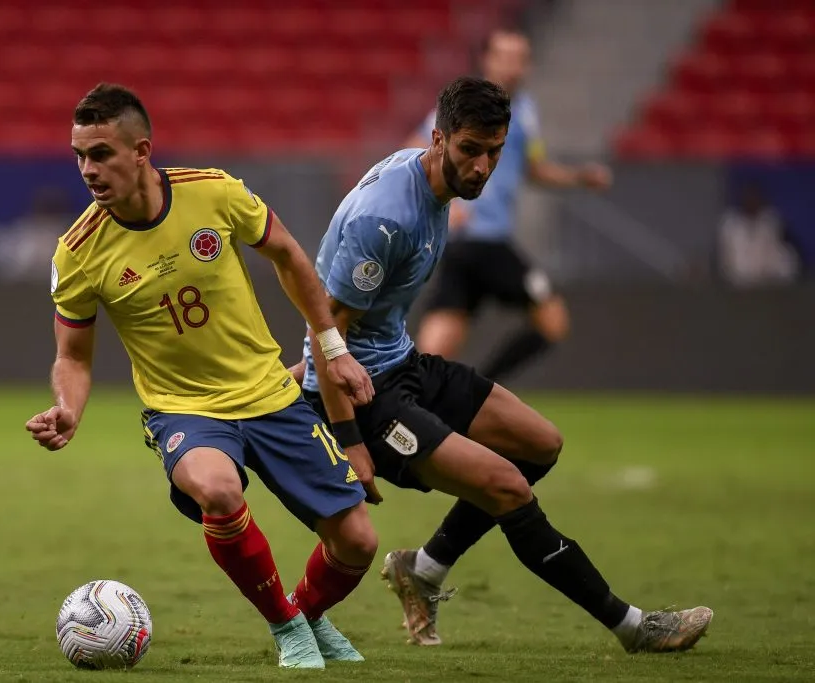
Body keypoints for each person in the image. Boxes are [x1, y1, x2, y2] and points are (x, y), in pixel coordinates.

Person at [297, 76, 713, 652]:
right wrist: (351, 439)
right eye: (471, 150)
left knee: (538, 444)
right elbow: (326, 332)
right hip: (365, 398)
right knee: (508, 488)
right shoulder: (385, 219)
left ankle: (425, 567)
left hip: (402, 364)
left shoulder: (432, 183)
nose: (483, 167)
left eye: (495, 151)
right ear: (439, 140)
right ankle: (634, 627)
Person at [25, 83, 381, 670]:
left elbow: (290, 255)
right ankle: (287, 625)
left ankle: (311, 614)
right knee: (218, 490)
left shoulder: (213, 192)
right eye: (79, 156)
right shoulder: (78, 252)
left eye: (101, 154)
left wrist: (333, 347)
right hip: (183, 408)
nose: (88, 169)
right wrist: (68, 407)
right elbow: (74, 356)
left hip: (270, 392)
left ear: (141, 151)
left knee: (359, 542)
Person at [409, 28, 612, 381]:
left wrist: (580, 177)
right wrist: (444, 202)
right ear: (486, 60)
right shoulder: (466, 107)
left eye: (521, 58)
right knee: (552, 318)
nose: (514, 67)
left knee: (438, 341)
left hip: (468, 245)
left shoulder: (524, 112)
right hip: (482, 239)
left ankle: (406, 398)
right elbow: (415, 149)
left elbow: (533, 169)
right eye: (505, 57)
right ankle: (479, 393)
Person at [716, 182, 800, 287]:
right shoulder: (730, 225)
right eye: (748, 198)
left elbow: (776, 256)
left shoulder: (770, 222)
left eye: (755, 198)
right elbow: (727, 261)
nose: (752, 202)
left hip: (767, 282)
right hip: (737, 285)